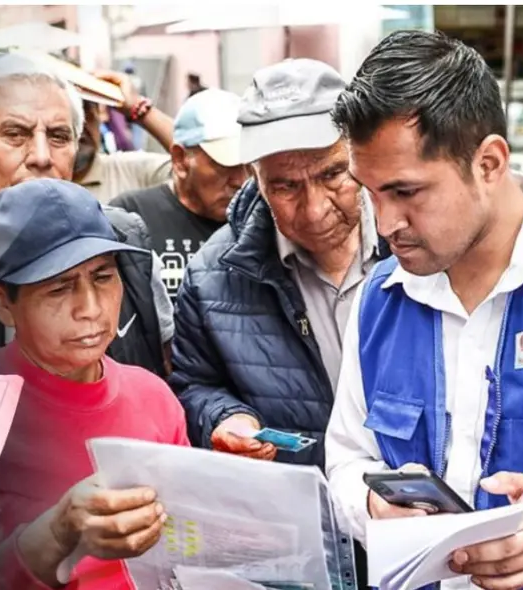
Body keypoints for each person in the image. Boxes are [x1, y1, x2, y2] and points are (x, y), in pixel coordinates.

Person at [325, 31, 523, 590]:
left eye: (406, 192)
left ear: (490, 163)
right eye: (369, 192)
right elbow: (347, 458)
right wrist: (373, 506)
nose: (385, 223)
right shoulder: (379, 299)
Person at [169, 60, 388, 587]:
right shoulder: (214, 276)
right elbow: (194, 384)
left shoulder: (416, 243)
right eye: (285, 186)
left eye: (333, 175)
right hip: (300, 542)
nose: (313, 211)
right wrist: (225, 418)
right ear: (254, 177)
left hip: (408, 525)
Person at [0, 178, 190, 588]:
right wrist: (57, 532)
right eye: (59, 287)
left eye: (103, 277)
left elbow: (185, 546)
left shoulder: (155, 397)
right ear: (1, 303)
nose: (90, 308)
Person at [0, 51, 175, 378]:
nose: (41, 156)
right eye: (15, 134)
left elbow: (171, 375)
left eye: (58, 137)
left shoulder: (126, 241)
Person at [111, 88, 247, 301]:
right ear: (181, 160)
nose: (240, 181)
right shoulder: (132, 215)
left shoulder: (258, 221)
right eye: (224, 166)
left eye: (248, 165)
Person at [73, 73, 175, 204]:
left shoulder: (131, 171)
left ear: (100, 114)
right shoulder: (45, 181)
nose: (78, 127)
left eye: (85, 109)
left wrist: (138, 108)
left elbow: (196, 165)